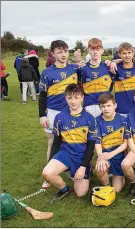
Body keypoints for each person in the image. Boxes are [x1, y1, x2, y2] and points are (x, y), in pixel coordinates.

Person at [41, 83, 96, 203]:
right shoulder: (60, 117)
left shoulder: (90, 118)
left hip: (81, 157)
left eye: (76, 97)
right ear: (65, 98)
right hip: (65, 154)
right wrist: (50, 164)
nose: (73, 101)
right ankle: (64, 189)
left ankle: (86, 171)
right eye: (69, 97)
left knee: (80, 193)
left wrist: (83, 166)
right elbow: (56, 143)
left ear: (82, 97)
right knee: (47, 173)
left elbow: (91, 147)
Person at [39, 40, 79, 189]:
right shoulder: (47, 72)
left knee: (74, 140)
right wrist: (42, 115)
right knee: (53, 142)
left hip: (72, 111)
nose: (63, 54)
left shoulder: (75, 69)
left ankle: (73, 169)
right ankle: (49, 172)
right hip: (53, 112)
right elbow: (42, 96)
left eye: (65, 51)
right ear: (53, 53)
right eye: (60, 52)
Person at [94, 93, 130, 192]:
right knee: (101, 169)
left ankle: (120, 175)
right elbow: (97, 142)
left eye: (109, 105)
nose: (106, 109)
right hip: (105, 156)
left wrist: (112, 154)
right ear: (100, 108)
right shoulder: (96, 121)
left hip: (118, 156)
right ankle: (107, 187)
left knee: (117, 190)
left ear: (115, 105)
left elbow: (126, 143)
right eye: (103, 106)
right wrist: (100, 157)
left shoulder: (123, 120)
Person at [78, 38, 113, 118]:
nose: (95, 52)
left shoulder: (109, 67)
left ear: (102, 50)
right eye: (92, 49)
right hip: (89, 106)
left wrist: (113, 62)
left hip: (105, 106)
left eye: (98, 49)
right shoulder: (82, 68)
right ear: (88, 50)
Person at [112, 42, 135, 117]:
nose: (127, 56)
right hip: (121, 110)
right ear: (119, 54)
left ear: (133, 53)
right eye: (124, 53)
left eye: (129, 53)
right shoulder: (115, 68)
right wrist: (111, 62)